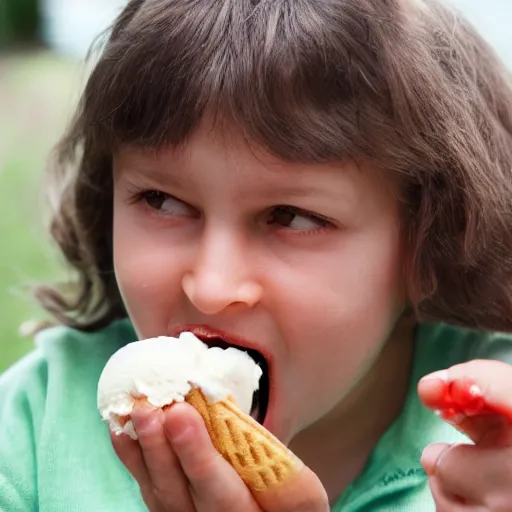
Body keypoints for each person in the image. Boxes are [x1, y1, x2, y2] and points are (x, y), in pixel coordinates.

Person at [2, 0, 512, 510]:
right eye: (162, 200)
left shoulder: (494, 449)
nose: (212, 286)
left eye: (291, 216)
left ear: (431, 242)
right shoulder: (29, 436)